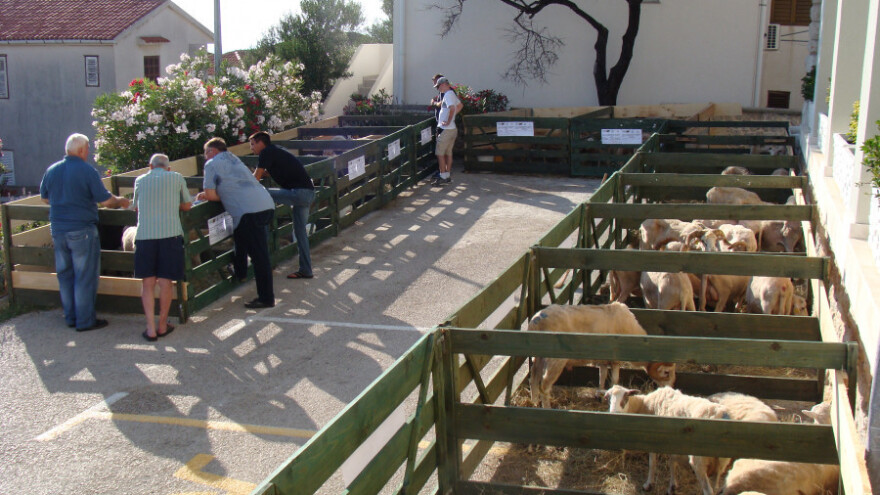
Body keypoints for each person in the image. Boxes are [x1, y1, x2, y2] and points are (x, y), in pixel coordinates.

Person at [39, 133, 130, 331]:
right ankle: (85, 320)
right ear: (81, 150)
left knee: (65, 275)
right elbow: (105, 200)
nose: (89, 152)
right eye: (88, 148)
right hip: (81, 229)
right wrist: (121, 201)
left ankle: (70, 317)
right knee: (84, 276)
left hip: (58, 229)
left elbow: (45, 198)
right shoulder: (86, 170)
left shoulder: (52, 170)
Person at [196, 137, 277, 309]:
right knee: (241, 234)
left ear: (213, 151)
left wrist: (218, 196)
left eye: (206, 152)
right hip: (265, 205)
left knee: (259, 257)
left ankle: (266, 297)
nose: (205, 157)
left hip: (249, 212)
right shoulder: (235, 160)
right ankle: (240, 271)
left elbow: (210, 195)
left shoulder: (211, 165)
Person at [132, 153, 192, 341]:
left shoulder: (140, 180)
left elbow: (136, 206)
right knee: (166, 282)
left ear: (150, 166)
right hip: (170, 235)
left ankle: (150, 328)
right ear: (168, 167)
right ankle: (163, 324)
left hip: (145, 236)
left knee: (148, 283)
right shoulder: (176, 177)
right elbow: (187, 205)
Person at [248, 131, 316, 280]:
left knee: (261, 192)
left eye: (253, 144)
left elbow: (256, 179)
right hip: (308, 193)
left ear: (261, 143)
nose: (251, 148)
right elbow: (269, 172)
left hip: (298, 194)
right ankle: (306, 270)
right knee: (300, 232)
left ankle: (261, 234)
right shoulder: (276, 151)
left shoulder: (266, 152)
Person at [432, 76, 463, 186]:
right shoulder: (452, 94)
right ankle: (447, 175)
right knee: (448, 153)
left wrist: (448, 120)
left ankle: (443, 175)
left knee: (440, 153)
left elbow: (453, 108)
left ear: (444, 84)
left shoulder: (448, 95)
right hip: (452, 129)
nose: (438, 89)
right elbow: (460, 106)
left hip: (446, 129)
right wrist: (452, 118)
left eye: (439, 86)